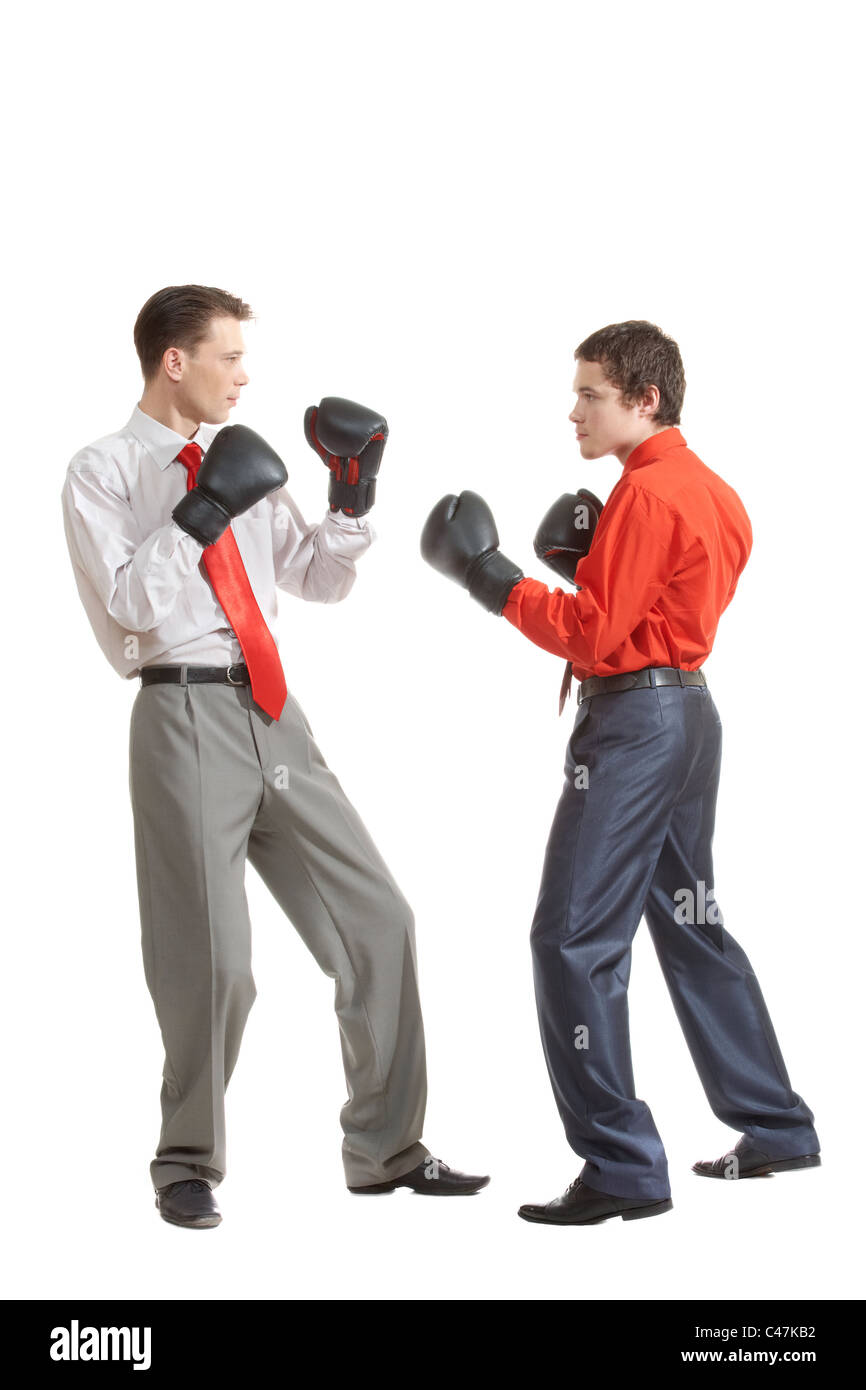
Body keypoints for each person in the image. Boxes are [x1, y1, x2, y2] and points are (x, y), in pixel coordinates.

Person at [61, 283, 488, 1229]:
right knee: (214, 963)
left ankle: (387, 1150)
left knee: (381, 919)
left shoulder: (240, 460)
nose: (244, 376)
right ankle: (185, 1160)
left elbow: (320, 579)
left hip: (273, 708)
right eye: (229, 357)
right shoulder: (103, 471)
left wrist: (350, 494)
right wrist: (202, 509)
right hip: (181, 717)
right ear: (177, 361)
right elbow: (133, 605)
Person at [420, 319, 820, 1226]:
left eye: (590, 394)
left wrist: (495, 581)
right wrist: (594, 569)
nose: (574, 412)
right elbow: (666, 606)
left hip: (636, 725)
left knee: (571, 937)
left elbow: (595, 636)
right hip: (691, 714)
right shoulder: (717, 492)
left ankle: (622, 1165)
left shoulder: (644, 496)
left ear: (645, 399)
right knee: (692, 921)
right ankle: (778, 1126)